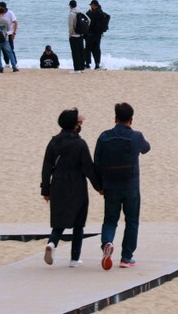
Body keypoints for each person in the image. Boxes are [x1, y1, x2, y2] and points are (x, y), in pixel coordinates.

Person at [41, 108, 102, 268]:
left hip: (58, 184)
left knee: (59, 221)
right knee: (78, 223)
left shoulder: (53, 142)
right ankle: (74, 259)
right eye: (79, 122)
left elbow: (46, 167)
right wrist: (99, 187)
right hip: (77, 185)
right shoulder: (80, 144)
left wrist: (45, 190)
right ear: (75, 126)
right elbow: (88, 168)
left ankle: (52, 243)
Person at [94, 102, 151, 270]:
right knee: (132, 221)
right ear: (131, 120)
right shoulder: (136, 136)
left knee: (110, 220)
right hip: (131, 185)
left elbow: (96, 162)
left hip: (110, 186)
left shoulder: (104, 137)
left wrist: (99, 186)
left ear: (115, 118)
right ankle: (126, 257)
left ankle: (107, 243)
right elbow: (147, 149)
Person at [0, 6, 18, 73]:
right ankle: (14, 67)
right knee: (10, 53)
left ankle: (0, 68)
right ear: (3, 13)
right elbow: (9, 29)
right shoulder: (7, 20)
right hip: (5, 39)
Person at [84, 0, 107, 70]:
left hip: (90, 34)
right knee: (96, 49)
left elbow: (86, 23)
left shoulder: (90, 13)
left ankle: (87, 64)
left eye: (91, 5)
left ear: (94, 5)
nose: (91, 6)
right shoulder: (101, 13)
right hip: (98, 34)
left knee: (88, 49)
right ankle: (97, 65)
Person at [67, 0, 85, 73]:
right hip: (80, 35)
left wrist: (70, 35)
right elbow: (88, 20)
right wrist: (84, 30)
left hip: (74, 35)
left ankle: (77, 69)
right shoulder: (80, 12)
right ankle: (81, 67)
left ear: (70, 5)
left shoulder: (71, 14)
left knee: (75, 53)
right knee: (81, 52)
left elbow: (71, 26)